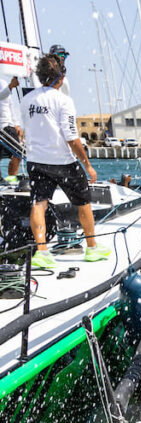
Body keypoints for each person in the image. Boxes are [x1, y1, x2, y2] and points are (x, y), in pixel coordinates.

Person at [21, 53, 107, 269]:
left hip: (36, 161)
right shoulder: (63, 101)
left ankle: (42, 252)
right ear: (60, 77)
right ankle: (92, 248)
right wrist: (87, 165)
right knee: (83, 201)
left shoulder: (27, 100)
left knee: (39, 203)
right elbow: (71, 137)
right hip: (63, 162)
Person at [0, 75, 22, 178]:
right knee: (18, 153)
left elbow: (10, 105)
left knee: (18, 153)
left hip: (7, 125)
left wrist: (16, 124)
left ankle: (11, 178)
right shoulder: (6, 86)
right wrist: (11, 86)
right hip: (3, 126)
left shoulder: (2, 83)